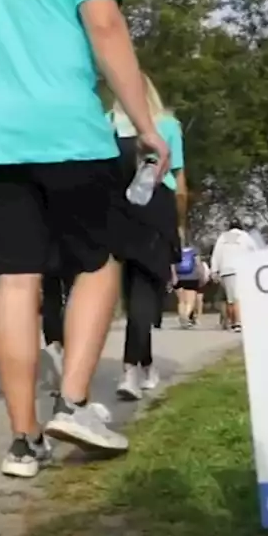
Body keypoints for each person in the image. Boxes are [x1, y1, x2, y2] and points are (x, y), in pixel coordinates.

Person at [0, 0, 169, 478]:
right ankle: (74, 402)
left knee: (15, 280)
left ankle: (23, 440)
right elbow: (104, 24)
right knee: (99, 261)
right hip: (69, 130)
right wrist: (146, 125)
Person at [110, 74, 181, 400]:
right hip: (156, 210)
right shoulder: (167, 124)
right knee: (145, 294)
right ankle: (131, 370)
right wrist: (179, 230)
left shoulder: (105, 125)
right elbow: (178, 182)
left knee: (134, 292)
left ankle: (144, 365)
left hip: (119, 211)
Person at [210, 220, 258, 333]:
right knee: (239, 297)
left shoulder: (223, 237)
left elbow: (216, 254)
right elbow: (255, 251)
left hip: (226, 270)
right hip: (242, 269)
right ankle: (238, 322)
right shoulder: (245, 236)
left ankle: (233, 322)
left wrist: (214, 271)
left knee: (230, 299)